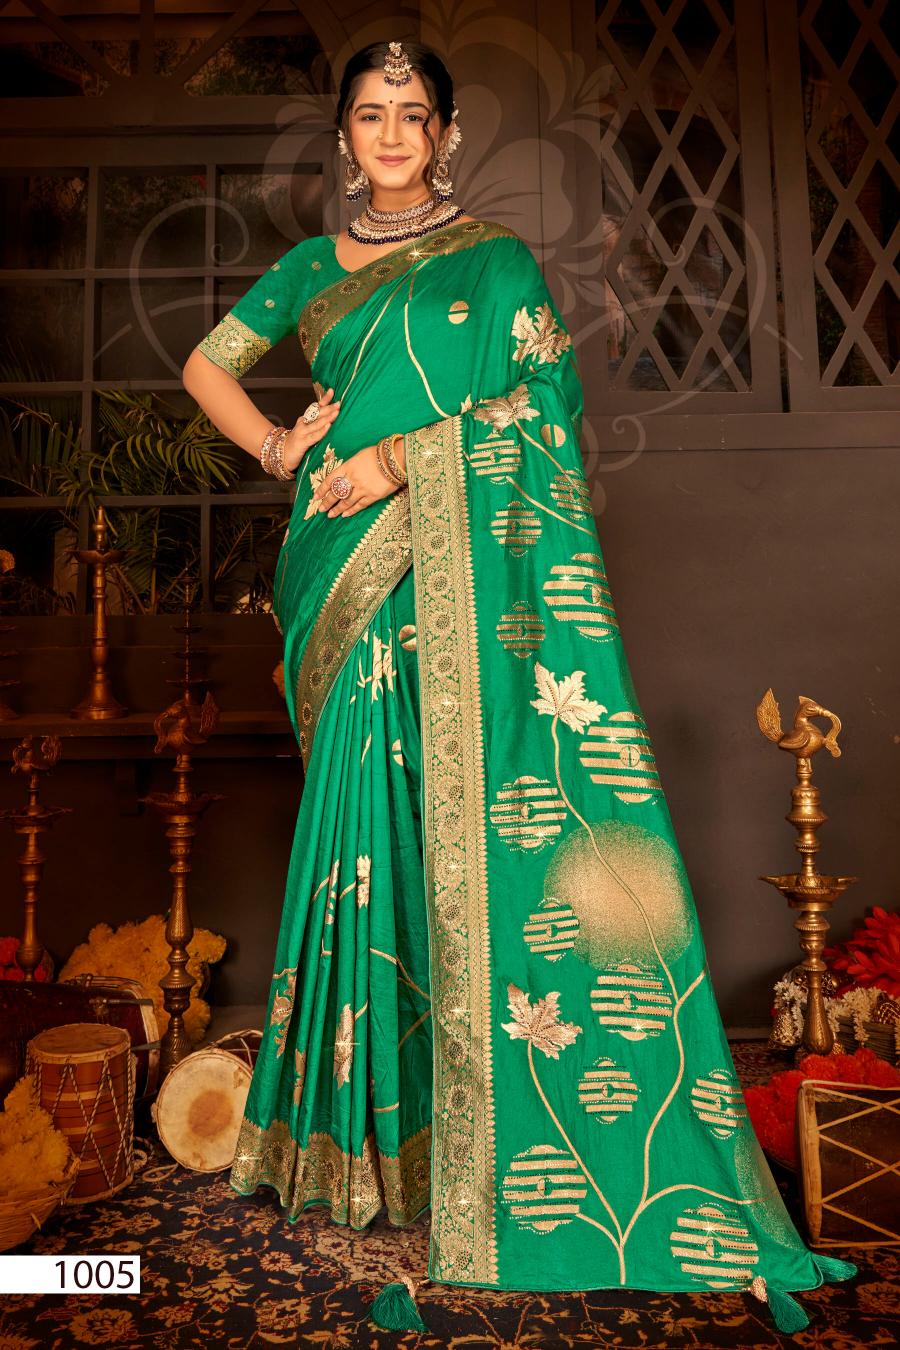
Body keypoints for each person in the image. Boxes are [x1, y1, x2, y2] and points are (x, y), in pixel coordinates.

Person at [182, 37, 856, 1337]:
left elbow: (544, 406)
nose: (391, 133)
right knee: (365, 835)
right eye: (370, 114)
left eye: (412, 113)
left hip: (453, 575)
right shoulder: (312, 268)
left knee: (465, 833)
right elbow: (210, 363)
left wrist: (400, 460)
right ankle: (366, 1148)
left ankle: (481, 1144)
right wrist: (277, 445)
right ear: (344, 137)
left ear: (444, 135)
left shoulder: (493, 263)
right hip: (341, 572)